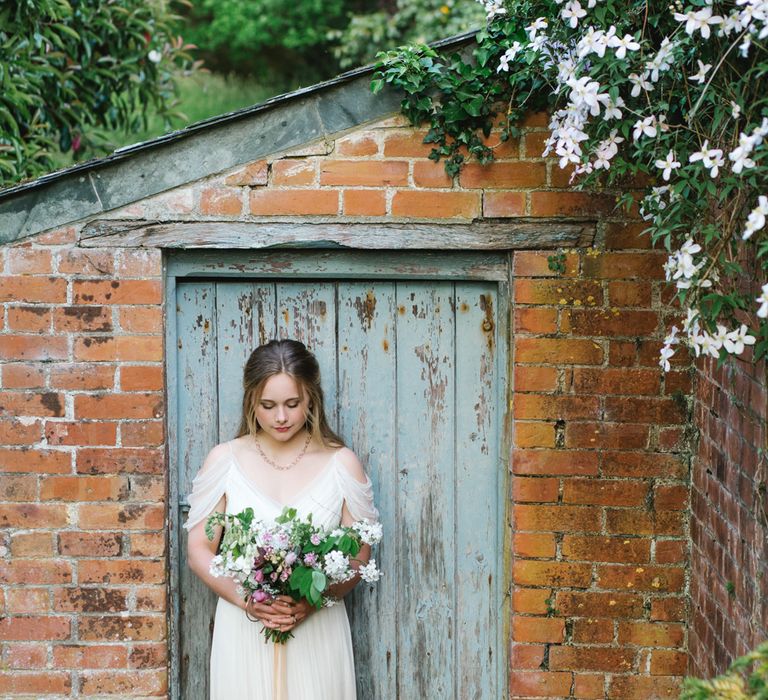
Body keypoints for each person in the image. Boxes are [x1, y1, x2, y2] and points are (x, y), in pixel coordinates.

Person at [185, 339, 379, 700]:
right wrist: (249, 600)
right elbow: (199, 549)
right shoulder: (224, 460)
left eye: (292, 404)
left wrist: (315, 599)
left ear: (311, 400)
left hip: (316, 628)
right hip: (245, 628)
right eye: (268, 405)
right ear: (250, 402)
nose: (281, 418)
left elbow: (359, 554)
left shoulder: (342, 464)